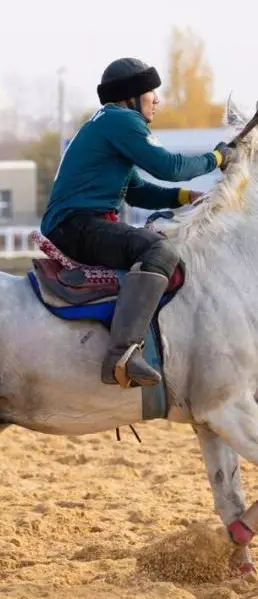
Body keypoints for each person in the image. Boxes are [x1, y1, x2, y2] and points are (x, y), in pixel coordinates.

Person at [41, 57, 235, 388]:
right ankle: (123, 354)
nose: (157, 100)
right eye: (151, 92)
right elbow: (170, 166)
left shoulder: (107, 123)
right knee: (159, 251)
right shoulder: (123, 122)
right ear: (131, 96)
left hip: (73, 223)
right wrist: (216, 158)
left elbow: (136, 190)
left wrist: (186, 197)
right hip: (77, 225)